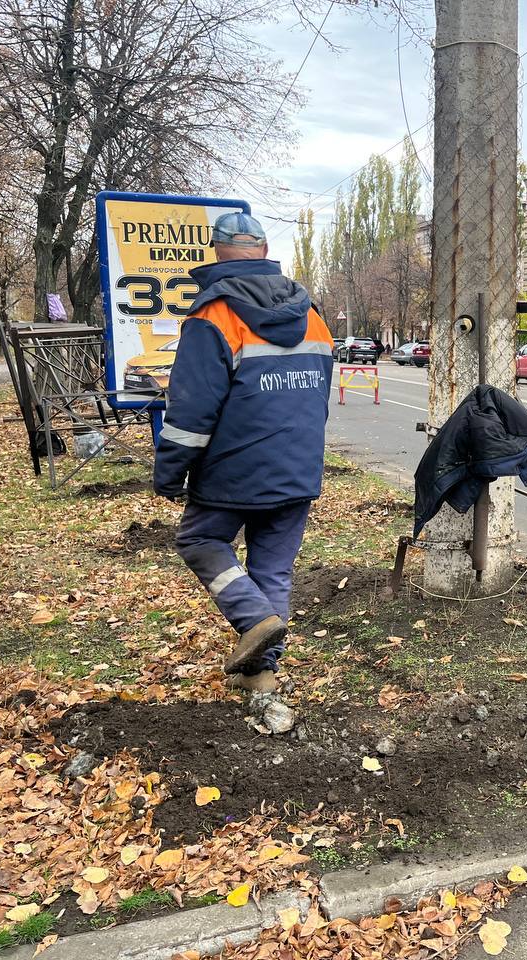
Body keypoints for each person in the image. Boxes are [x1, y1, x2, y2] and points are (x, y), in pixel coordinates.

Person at [153, 211, 334, 694]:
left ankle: (256, 619)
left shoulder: (213, 317)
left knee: (200, 541)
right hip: (298, 469)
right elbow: (318, 397)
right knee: (271, 570)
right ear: (263, 248)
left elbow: (190, 414)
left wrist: (169, 474)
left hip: (233, 472)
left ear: (216, 251)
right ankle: (262, 679)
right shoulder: (312, 316)